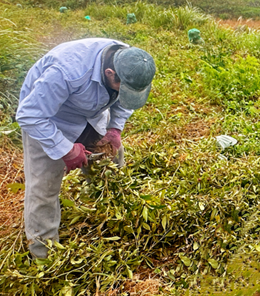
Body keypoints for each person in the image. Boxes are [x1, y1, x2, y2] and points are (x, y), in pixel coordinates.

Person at [16, 38, 156, 259]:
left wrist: (115, 128)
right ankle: (44, 256)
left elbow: (124, 100)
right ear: (110, 73)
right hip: (49, 120)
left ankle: (111, 215)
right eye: (122, 87)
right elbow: (30, 115)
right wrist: (66, 149)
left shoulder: (132, 63)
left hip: (91, 112)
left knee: (111, 159)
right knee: (44, 189)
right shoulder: (65, 72)